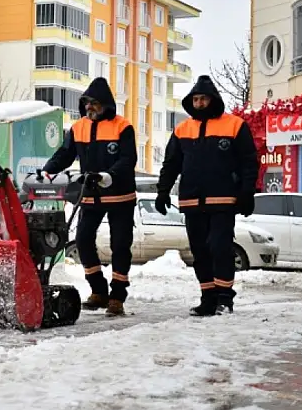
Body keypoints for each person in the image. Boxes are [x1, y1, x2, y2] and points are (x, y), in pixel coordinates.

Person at [155, 75, 258, 317]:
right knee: (200, 252)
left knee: (220, 247)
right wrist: (162, 191)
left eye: (203, 99)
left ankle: (224, 299)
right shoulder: (182, 129)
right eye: (196, 99)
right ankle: (208, 298)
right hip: (191, 201)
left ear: (213, 100)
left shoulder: (235, 125)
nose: (199, 103)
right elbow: (171, 164)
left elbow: (248, 162)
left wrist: (247, 192)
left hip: (223, 200)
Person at [41, 77, 137, 317]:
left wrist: (108, 175)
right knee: (83, 241)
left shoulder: (122, 127)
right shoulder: (79, 127)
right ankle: (98, 290)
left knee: (120, 245)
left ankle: (117, 297)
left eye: (94, 103)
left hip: (120, 197)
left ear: (105, 104)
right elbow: (65, 154)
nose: (89, 107)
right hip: (90, 195)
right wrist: (47, 171)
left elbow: (128, 159)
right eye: (86, 103)